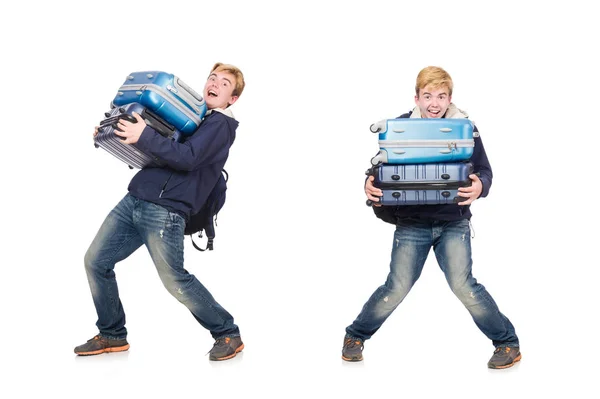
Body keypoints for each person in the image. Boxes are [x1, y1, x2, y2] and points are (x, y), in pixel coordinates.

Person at [342, 66, 521, 369]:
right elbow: (383, 169)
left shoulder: (465, 128)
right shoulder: (398, 127)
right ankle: (355, 335)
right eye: (428, 96)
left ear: (450, 98)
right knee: (396, 286)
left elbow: (485, 171)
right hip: (412, 223)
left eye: (441, 96)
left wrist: (480, 185)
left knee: (464, 286)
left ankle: (507, 343)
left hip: (454, 222)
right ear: (417, 97)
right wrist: (368, 181)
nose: (434, 103)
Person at [75, 63, 246, 361]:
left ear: (232, 99)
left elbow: (188, 158)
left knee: (174, 280)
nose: (215, 84)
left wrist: (143, 134)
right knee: (96, 261)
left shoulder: (220, 126)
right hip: (135, 198)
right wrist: (113, 130)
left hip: (166, 211)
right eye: (212, 78)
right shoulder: (191, 118)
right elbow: (154, 149)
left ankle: (227, 332)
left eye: (224, 84)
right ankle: (113, 334)